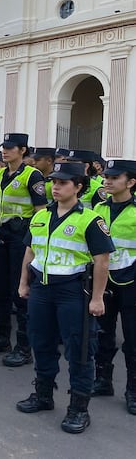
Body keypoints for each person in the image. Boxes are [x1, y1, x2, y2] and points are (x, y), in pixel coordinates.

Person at [16, 162, 114, 434]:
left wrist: (97, 299)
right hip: (42, 290)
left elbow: (102, 261)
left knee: (79, 349)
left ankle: (79, 408)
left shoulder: (90, 219)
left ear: (79, 187)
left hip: (73, 292)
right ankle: (44, 395)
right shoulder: (41, 216)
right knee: (41, 342)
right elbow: (30, 252)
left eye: (62, 183)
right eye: (54, 182)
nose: (55, 187)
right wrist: (24, 283)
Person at [0, 134, 48, 367]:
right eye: (4, 147)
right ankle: (2, 337)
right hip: (1, 234)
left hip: (21, 236)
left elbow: (41, 211)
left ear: (22, 150)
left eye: (10, 148)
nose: (5, 151)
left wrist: (35, 241)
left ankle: (23, 346)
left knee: (19, 291)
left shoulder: (33, 175)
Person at [92, 159, 136, 415]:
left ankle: (132, 390)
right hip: (105, 279)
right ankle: (103, 379)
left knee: (132, 338)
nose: (107, 180)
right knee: (103, 332)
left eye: (114, 177)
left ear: (130, 182)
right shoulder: (99, 208)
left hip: (132, 280)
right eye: (106, 176)